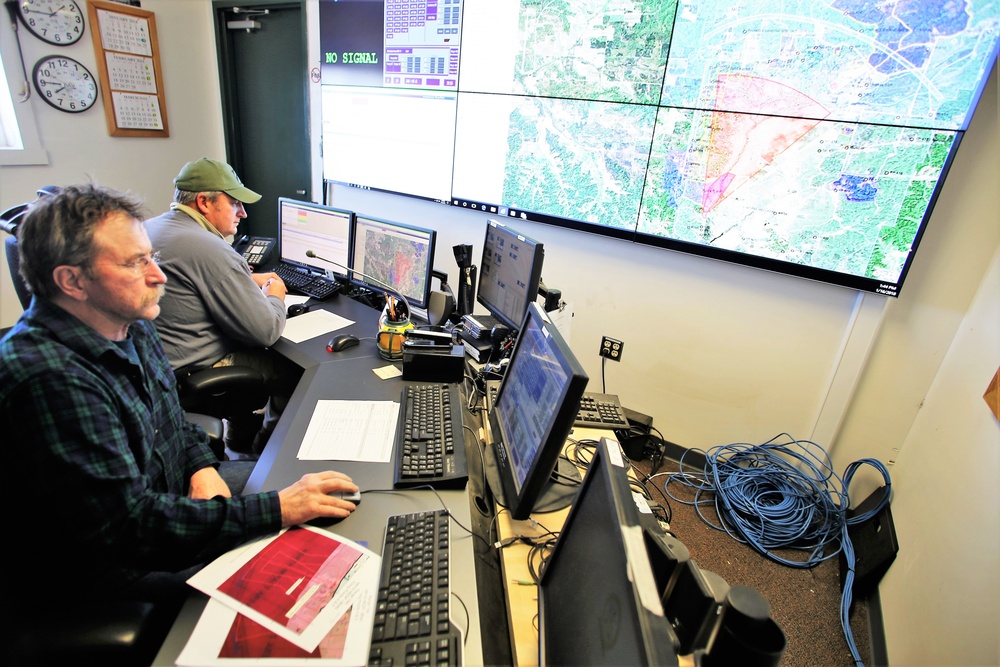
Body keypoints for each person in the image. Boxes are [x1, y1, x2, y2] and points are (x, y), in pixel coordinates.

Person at [0, 182, 358, 615]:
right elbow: (131, 528)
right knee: (315, 588)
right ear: (71, 280)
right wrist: (277, 509)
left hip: (171, 501)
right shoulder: (50, 378)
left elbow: (171, 419)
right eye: (136, 263)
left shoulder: (129, 323)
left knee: (337, 499)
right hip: (118, 572)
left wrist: (202, 466)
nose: (158, 276)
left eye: (150, 255)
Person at [144, 157, 291, 456]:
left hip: (158, 367)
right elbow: (266, 331)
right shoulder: (211, 248)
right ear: (204, 202)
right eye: (235, 203)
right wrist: (275, 294)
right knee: (295, 370)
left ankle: (237, 441)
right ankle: (262, 450)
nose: (243, 213)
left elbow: (193, 281)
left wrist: (244, 278)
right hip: (194, 370)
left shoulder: (153, 227)